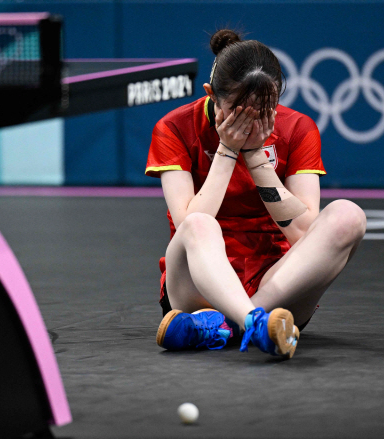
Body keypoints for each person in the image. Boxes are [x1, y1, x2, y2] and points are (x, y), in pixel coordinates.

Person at [145, 29, 366, 359]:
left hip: (277, 286)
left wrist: (256, 158)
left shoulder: (298, 128)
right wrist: (227, 150)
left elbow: (303, 233)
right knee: (197, 224)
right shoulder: (175, 127)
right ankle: (253, 322)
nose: (251, 121)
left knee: (348, 216)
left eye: (264, 109)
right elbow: (188, 222)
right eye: (238, 109)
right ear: (211, 95)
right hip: (195, 287)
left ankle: (229, 325)